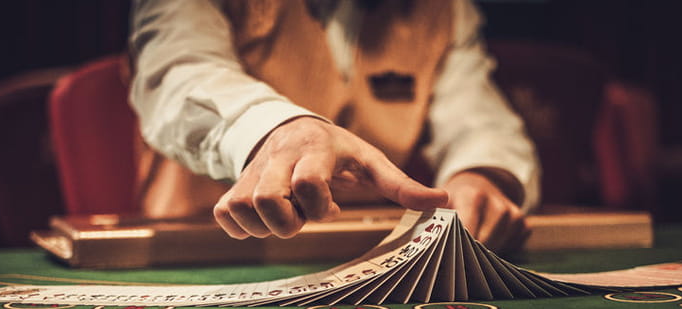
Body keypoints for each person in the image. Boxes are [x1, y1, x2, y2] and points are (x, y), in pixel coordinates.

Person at [129, 0, 540, 252]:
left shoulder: (446, 7)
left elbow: (480, 119)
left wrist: (481, 175)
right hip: (200, 252)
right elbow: (177, 72)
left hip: (370, 260)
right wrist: (278, 131)